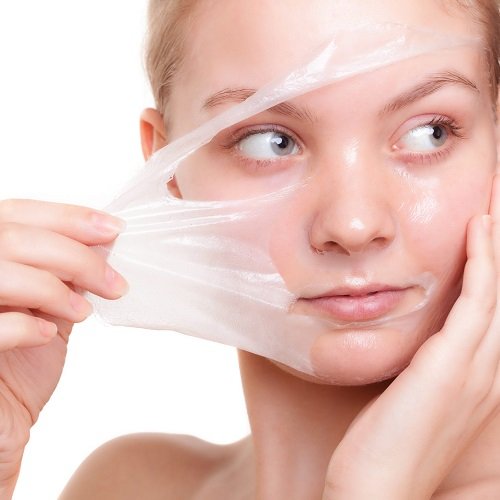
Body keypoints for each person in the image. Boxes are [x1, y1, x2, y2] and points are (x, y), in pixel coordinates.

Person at [1, 0, 499, 498]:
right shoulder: (130, 486)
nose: (353, 225)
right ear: (166, 169)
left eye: (430, 133)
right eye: (269, 142)